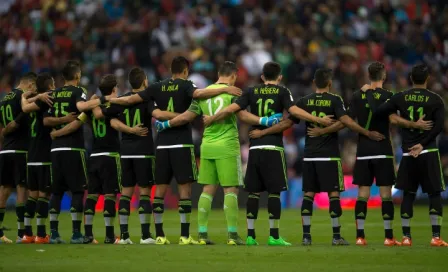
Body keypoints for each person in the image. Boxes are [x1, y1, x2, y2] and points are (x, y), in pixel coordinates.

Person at [108, 56, 242, 245]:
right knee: (185, 192)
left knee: (159, 192)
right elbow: (199, 96)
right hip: (183, 144)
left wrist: (109, 99)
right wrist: (225, 89)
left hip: (162, 145)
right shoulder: (187, 85)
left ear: (171, 69)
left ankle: (160, 235)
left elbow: (130, 99)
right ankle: (185, 236)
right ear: (185, 71)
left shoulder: (156, 86)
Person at [250, 68, 387, 246]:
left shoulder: (304, 101)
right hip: (329, 156)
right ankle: (336, 236)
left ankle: (306, 236)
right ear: (330, 83)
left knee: (308, 195)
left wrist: (264, 132)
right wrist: (366, 132)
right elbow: (345, 121)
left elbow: (287, 123)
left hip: (309, 156)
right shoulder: (335, 100)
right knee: (334, 195)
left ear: (314, 83)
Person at [203, 62, 334, 246]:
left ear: (262, 77)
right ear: (279, 77)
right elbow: (294, 111)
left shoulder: (251, 90)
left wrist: (211, 118)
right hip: (274, 148)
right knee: (274, 193)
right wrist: (318, 119)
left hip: (255, 148)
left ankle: (250, 236)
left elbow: (233, 109)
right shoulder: (282, 91)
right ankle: (274, 236)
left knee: (253, 194)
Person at [156, 61, 282, 245]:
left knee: (207, 190)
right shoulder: (233, 92)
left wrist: (166, 124)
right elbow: (243, 116)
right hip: (227, 145)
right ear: (233, 76)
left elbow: (186, 116)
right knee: (230, 190)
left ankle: (202, 234)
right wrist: (264, 120)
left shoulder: (203, 94)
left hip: (207, 146)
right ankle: (232, 235)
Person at [372, 64, 447, 247]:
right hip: (428, 151)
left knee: (408, 194)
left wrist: (402, 121)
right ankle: (436, 237)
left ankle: (406, 237)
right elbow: (438, 127)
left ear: (410, 79)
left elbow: (379, 112)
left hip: (407, 153)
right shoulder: (436, 99)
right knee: (434, 194)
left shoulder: (400, 97)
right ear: (428, 78)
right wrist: (423, 143)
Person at [101, 67, 176, 245]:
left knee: (125, 194)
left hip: (125, 152)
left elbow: (109, 118)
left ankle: (125, 236)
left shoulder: (120, 100)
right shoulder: (147, 99)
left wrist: (127, 130)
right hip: (143, 151)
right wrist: (182, 115)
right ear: (143, 82)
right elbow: (158, 115)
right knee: (144, 193)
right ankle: (145, 236)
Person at [44, 60, 105, 244]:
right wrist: (96, 101)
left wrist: (57, 128)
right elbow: (80, 110)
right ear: (77, 76)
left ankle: (53, 234)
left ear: (63, 77)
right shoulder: (79, 91)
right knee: (78, 191)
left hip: (55, 150)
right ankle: (76, 233)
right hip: (74, 148)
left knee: (56, 192)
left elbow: (46, 121)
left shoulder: (53, 94)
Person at [20, 73, 60, 244]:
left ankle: (28, 234)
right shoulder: (47, 99)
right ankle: (41, 234)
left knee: (32, 196)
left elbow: (24, 107)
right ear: (50, 86)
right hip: (44, 154)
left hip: (31, 155)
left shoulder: (33, 100)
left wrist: (24, 96)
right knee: (44, 195)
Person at [0, 72, 37, 244]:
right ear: (29, 85)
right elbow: (18, 121)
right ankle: (22, 232)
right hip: (21, 150)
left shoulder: (4, 99)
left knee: (4, 190)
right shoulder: (22, 97)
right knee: (23, 189)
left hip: (6, 150)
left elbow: (2, 128)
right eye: (34, 87)